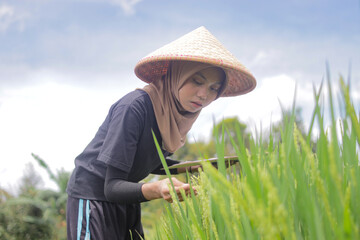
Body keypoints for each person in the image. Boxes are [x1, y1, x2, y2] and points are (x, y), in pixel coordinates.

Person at [66, 26, 256, 240]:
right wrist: (156, 188)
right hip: (94, 197)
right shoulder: (134, 108)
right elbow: (111, 186)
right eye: (197, 81)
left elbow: (149, 161)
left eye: (214, 88)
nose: (203, 94)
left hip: (127, 197)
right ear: (178, 75)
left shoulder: (175, 115)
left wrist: (195, 166)